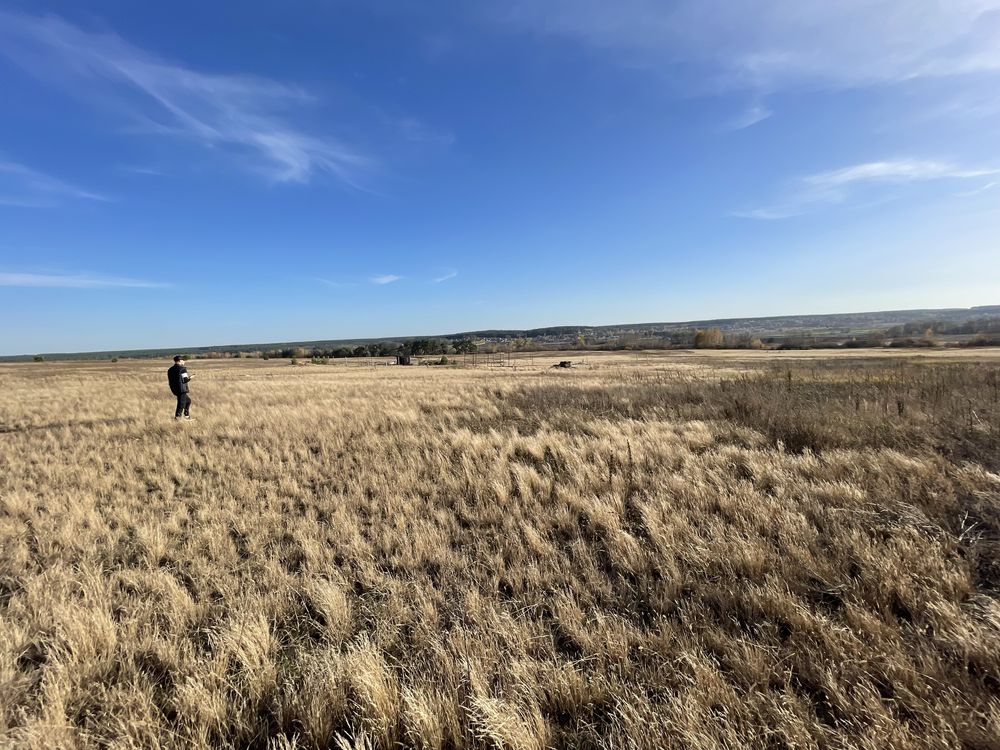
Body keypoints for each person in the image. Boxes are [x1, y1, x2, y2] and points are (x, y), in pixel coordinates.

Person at [167, 355, 194, 420]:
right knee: (181, 404)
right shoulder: (182, 369)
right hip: (182, 389)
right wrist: (190, 377)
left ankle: (186, 415)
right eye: (183, 360)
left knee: (188, 401)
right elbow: (185, 380)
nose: (184, 361)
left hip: (174, 389)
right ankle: (177, 418)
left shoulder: (170, 369)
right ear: (179, 361)